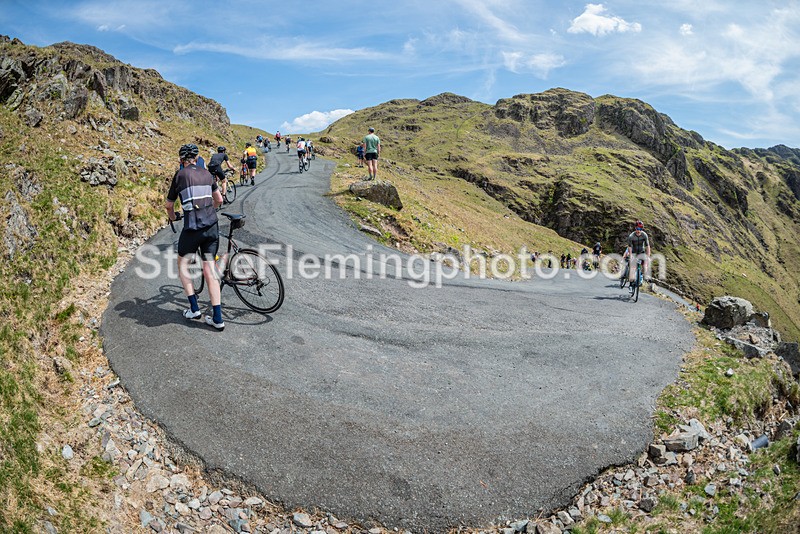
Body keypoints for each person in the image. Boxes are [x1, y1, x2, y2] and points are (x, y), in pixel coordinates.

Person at [165, 144, 225, 330]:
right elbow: (219, 200)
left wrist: (174, 217)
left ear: (181, 160)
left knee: (182, 264)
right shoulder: (207, 174)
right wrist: (209, 211)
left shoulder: (179, 175)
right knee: (210, 270)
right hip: (212, 227)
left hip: (192, 229)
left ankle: (194, 309)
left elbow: (169, 206)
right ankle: (217, 318)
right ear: (197, 158)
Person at [623, 220, 651, 287]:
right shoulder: (631, 236)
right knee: (632, 269)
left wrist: (648, 256)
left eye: (640, 229)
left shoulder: (644, 235)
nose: (639, 230)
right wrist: (630, 255)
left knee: (645, 266)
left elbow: (647, 246)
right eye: (637, 228)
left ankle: (640, 275)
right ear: (635, 228)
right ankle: (631, 284)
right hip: (634, 252)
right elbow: (629, 247)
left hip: (641, 252)